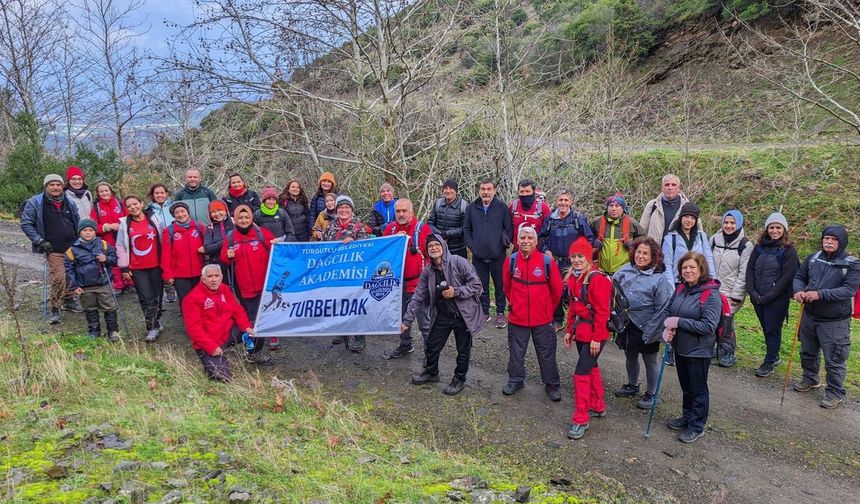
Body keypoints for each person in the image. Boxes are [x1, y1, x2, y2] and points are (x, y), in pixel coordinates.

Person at [403, 234, 485, 395]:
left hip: (463, 315)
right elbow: (418, 295)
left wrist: (457, 291)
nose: (433, 247)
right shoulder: (428, 271)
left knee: (463, 350)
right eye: (430, 246)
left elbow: (477, 285)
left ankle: (459, 379)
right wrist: (406, 321)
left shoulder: (458, 262)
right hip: (443, 314)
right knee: (432, 346)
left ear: (443, 246)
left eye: (436, 244)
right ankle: (431, 372)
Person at [792, 225, 860, 409]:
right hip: (809, 315)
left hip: (835, 321)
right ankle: (810, 378)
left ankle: (835, 392)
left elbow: (848, 290)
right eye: (826, 238)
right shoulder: (814, 258)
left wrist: (820, 294)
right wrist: (798, 290)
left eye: (834, 239)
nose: (829, 242)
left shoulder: (852, 264)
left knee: (835, 358)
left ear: (842, 242)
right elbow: (799, 276)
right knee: (807, 351)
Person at [662, 252, 721, 444]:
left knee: (698, 390)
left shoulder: (710, 294)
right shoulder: (680, 289)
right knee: (686, 387)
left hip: (699, 350)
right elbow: (669, 310)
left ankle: (697, 425)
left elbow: (708, 326)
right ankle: (687, 417)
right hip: (680, 348)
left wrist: (679, 322)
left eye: (691, 267)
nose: (687, 271)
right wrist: (668, 328)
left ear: (701, 269)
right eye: (684, 268)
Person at [501, 225, 563, 401]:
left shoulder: (547, 262)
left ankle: (551, 384)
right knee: (516, 352)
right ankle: (516, 380)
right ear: (518, 241)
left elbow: (557, 290)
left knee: (547, 353)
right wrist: (515, 304)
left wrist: (546, 309)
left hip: (542, 319)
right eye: (523, 238)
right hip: (517, 318)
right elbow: (507, 287)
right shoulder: (511, 261)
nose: (526, 241)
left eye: (529, 238)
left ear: (536, 241)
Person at [612, 237, 673, 410]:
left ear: (653, 256)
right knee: (629, 354)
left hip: (648, 324)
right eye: (638, 252)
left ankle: (652, 393)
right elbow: (611, 289)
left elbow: (663, 308)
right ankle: (632, 384)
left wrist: (652, 330)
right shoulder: (624, 270)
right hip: (626, 322)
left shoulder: (659, 279)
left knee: (649, 359)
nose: (640, 256)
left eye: (645, 253)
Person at [564, 236, 611, 439]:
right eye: (573, 256)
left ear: (588, 257)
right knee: (591, 368)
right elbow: (573, 307)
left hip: (594, 334)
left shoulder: (596, 279)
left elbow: (603, 312)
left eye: (580, 256)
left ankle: (581, 418)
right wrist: (569, 330)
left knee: (580, 374)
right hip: (581, 331)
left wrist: (597, 338)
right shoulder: (574, 278)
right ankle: (598, 405)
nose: (576, 259)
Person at [182, 264, 263, 382]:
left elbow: (237, 311)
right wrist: (212, 347)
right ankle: (209, 362)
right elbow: (194, 329)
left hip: (228, 333)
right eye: (210, 276)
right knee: (222, 379)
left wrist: (246, 327)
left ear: (221, 277)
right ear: (202, 279)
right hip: (210, 342)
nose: (214, 279)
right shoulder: (192, 299)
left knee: (258, 328)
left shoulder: (224, 289)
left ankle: (252, 353)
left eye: (216, 276)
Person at [21, 174, 83, 323]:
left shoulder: (69, 201)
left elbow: (77, 221)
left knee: (71, 275)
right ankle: (55, 308)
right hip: (53, 248)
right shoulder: (35, 202)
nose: (55, 187)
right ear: (45, 186)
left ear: (63, 186)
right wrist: (40, 241)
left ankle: (69, 299)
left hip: (72, 246)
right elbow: (26, 224)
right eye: (52, 185)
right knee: (58, 278)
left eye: (58, 185)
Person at [746, 212, 799, 378]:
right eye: (771, 227)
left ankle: (769, 361)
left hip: (776, 299)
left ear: (784, 229)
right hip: (758, 297)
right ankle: (773, 355)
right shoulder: (759, 247)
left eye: (778, 227)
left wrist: (768, 296)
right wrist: (752, 292)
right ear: (766, 229)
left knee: (772, 329)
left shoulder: (788, 250)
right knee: (765, 327)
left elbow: (787, 277)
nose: (774, 231)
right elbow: (750, 269)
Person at [221, 205, 277, 360]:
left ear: (252, 218)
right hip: (244, 287)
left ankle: (253, 347)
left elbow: (276, 250)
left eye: (247, 217)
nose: (244, 220)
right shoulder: (230, 237)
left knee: (263, 315)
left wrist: (277, 243)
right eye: (240, 218)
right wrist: (228, 255)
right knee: (252, 319)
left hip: (265, 285)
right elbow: (224, 258)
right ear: (235, 220)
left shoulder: (261, 233)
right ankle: (252, 350)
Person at [382, 199, 432, 360]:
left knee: (424, 321)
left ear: (411, 211)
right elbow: (383, 255)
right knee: (402, 317)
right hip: (397, 283)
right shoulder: (390, 229)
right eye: (398, 211)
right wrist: (393, 242)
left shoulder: (422, 230)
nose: (401, 214)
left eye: (404, 211)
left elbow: (434, 256)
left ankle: (430, 353)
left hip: (418, 284)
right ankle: (405, 345)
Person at [540, 189, 596, 331]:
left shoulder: (578, 218)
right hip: (556, 261)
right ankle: (557, 319)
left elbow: (590, 239)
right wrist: (546, 250)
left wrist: (581, 256)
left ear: (571, 202)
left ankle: (576, 321)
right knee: (555, 289)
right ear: (556, 201)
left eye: (566, 200)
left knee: (575, 291)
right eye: (560, 200)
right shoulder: (550, 219)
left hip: (574, 262)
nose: (563, 203)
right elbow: (540, 238)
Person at [322, 195, 371, 352]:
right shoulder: (330, 227)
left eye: (347, 208)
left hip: (353, 274)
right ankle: (342, 331)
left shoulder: (359, 227)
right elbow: (322, 248)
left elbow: (367, 250)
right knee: (337, 302)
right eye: (340, 208)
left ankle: (358, 336)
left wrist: (354, 244)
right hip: (334, 274)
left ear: (351, 210)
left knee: (354, 304)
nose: (343, 210)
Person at [464, 178, 513, 329]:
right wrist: (472, 246)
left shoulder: (502, 207)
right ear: (479, 190)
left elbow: (509, 228)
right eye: (483, 189)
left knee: (500, 285)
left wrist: (502, 245)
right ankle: (484, 311)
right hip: (478, 255)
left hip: (497, 255)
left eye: (489, 189)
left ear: (494, 190)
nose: (485, 192)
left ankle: (500, 312)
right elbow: (467, 229)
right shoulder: (472, 207)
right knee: (480, 285)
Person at [117, 195, 165, 342]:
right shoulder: (125, 224)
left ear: (141, 204)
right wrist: (124, 268)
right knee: (146, 297)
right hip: (137, 268)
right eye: (129, 205)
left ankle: (157, 319)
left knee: (158, 296)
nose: (133, 207)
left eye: (135, 204)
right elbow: (120, 246)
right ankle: (151, 327)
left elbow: (164, 239)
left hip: (156, 265)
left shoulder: (155, 219)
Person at [64, 218, 120, 341]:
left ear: (95, 232)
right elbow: (69, 270)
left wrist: (106, 259)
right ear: (80, 232)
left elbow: (115, 259)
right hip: (84, 286)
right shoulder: (72, 250)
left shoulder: (103, 244)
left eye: (91, 230)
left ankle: (113, 331)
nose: (88, 233)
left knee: (109, 307)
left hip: (103, 283)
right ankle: (94, 331)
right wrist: (74, 286)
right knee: (90, 309)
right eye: (84, 230)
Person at [161, 201, 205, 304]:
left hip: (199, 271)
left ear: (188, 212)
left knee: (201, 298)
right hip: (180, 274)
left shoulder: (199, 227)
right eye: (177, 213)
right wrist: (168, 274)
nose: (180, 215)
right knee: (186, 300)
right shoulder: (169, 231)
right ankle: (189, 320)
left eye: (183, 211)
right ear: (173, 215)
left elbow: (207, 247)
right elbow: (165, 255)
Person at [590, 193, 645, 275]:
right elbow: (587, 238)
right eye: (611, 205)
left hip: (624, 272)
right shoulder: (597, 222)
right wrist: (593, 242)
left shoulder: (632, 223)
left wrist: (633, 245)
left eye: (617, 206)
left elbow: (644, 239)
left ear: (623, 208)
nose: (614, 209)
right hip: (601, 270)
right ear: (607, 207)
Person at [662, 202, 716, 286]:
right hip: (678, 283)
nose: (689, 220)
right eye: (686, 216)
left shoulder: (701, 236)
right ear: (681, 218)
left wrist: (712, 282)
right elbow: (667, 265)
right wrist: (671, 288)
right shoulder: (670, 238)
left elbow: (708, 259)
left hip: (698, 282)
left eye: (692, 218)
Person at [711, 210, 752, 313]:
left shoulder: (745, 245)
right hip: (711, 291)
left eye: (732, 223)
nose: (728, 226)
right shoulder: (714, 240)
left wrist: (737, 295)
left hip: (730, 294)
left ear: (738, 224)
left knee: (725, 325)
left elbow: (744, 273)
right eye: (726, 222)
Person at [90, 181, 128, 293]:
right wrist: (107, 227)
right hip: (107, 239)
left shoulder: (120, 203)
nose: (104, 193)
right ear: (98, 193)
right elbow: (93, 227)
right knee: (113, 262)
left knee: (126, 259)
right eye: (101, 191)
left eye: (106, 190)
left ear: (111, 191)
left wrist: (121, 225)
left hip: (123, 236)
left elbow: (129, 218)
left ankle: (129, 283)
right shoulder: (96, 208)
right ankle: (117, 286)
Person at [146, 183, 176, 303]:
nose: (160, 195)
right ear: (153, 195)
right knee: (164, 265)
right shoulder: (149, 210)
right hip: (158, 242)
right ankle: (169, 290)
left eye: (162, 193)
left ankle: (177, 287)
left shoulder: (174, 206)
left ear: (167, 193)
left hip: (175, 239)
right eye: (157, 193)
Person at [639, 174, 692, 242]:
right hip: (655, 250)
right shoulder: (652, 205)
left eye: (673, 185)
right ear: (662, 188)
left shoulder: (687, 206)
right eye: (667, 185)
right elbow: (641, 232)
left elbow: (698, 233)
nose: (670, 187)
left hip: (679, 250)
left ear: (678, 188)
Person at [427, 178, 468, 258]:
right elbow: (430, 222)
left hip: (457, 249)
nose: (448, 191)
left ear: (456, 190)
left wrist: (447, 234)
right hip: (439, 247)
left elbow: (465, 228)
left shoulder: (463, 206)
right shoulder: (438, 203)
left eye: (451, 188)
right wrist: (439, 234)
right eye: (446, 188)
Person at [510, 178, 551, 248]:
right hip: (518, 249)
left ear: (533, 192)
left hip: (538, 249)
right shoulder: (513, 206)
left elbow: (549, 230)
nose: (525, 194)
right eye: (522, 191)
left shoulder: (543, 207)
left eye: (527, 191)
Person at [202, 200, 234, 282]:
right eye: (213, 212)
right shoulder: (210, 228)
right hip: (218, 264)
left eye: (220, 210)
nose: (217, 214)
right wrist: (225, 241)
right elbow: (208, 248)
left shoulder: (234, 223)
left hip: (235, 263)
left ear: (225, 211)